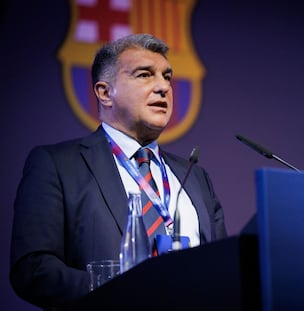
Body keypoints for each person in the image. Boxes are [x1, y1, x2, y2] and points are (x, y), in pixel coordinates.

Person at [9, 33, 227, 309]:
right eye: (145, 75)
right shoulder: (57, 165)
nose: (163, 87)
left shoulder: (196, 177)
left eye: (167, 77)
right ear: (104, 92)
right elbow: (33, 269)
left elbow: (223, 269)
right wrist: (121, 290)